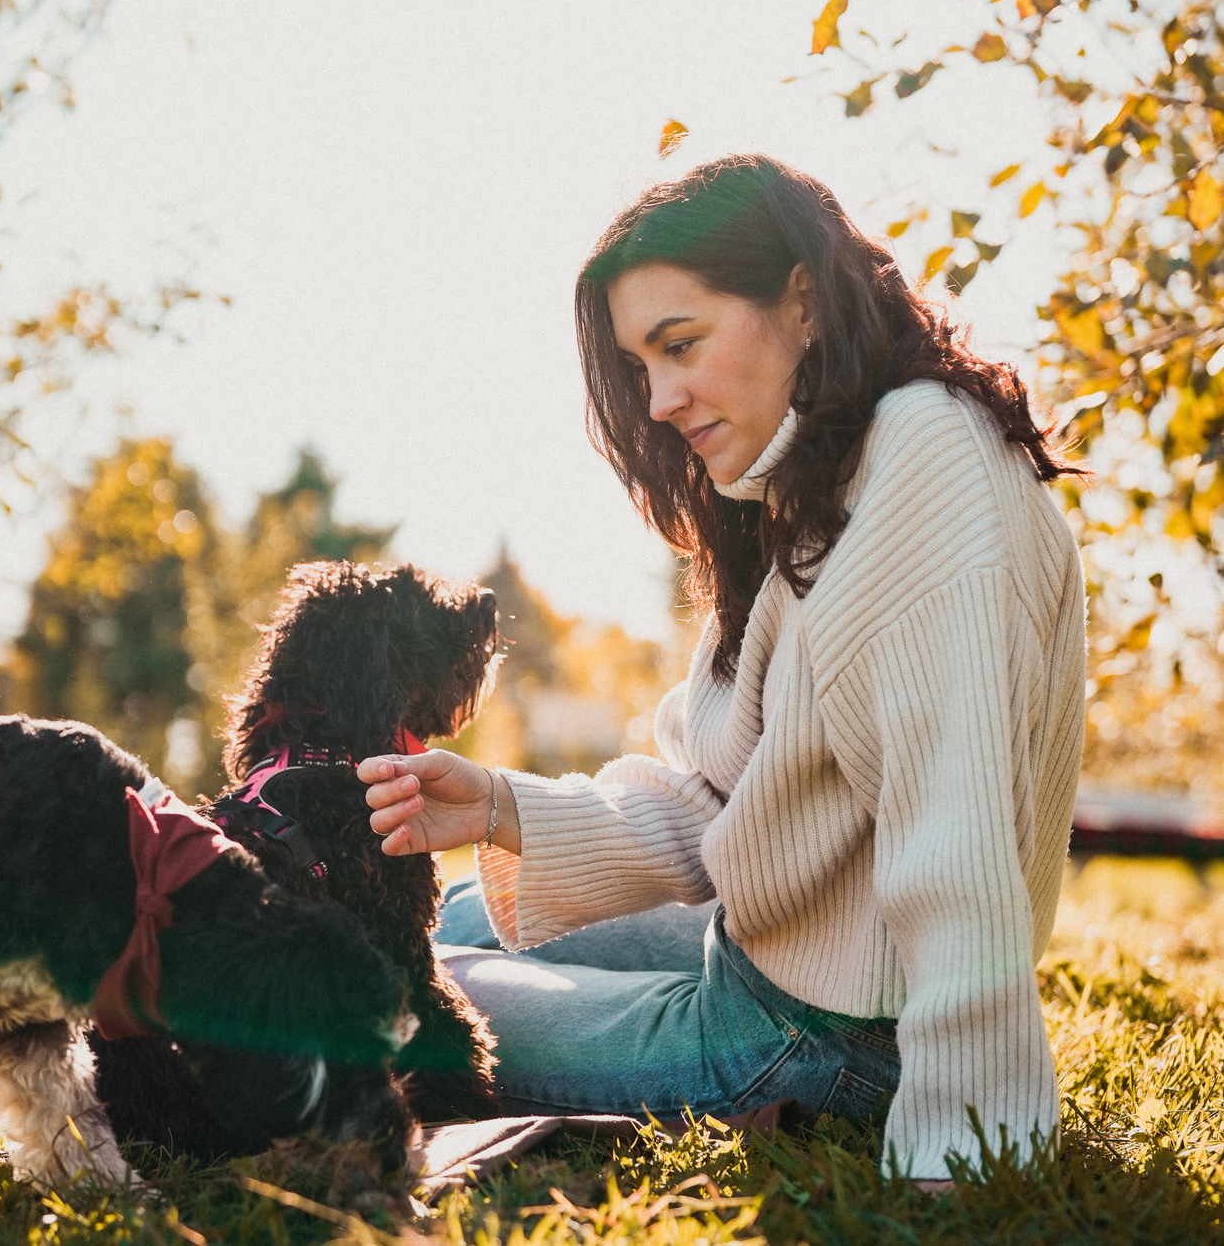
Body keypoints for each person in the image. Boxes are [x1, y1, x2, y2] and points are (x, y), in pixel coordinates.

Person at [359, 154, 1085, 1186]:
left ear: (799, 299)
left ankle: (169, 1033)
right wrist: (499, 806)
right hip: (746, 943)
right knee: (427, 917)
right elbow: (717, 796)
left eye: (678, 344)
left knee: (396, 989)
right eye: (639, 363)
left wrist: (962, 1151)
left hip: (828, 1034)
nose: (655, 399)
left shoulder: (923, 458)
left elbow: (950, 827)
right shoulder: (802, 492)